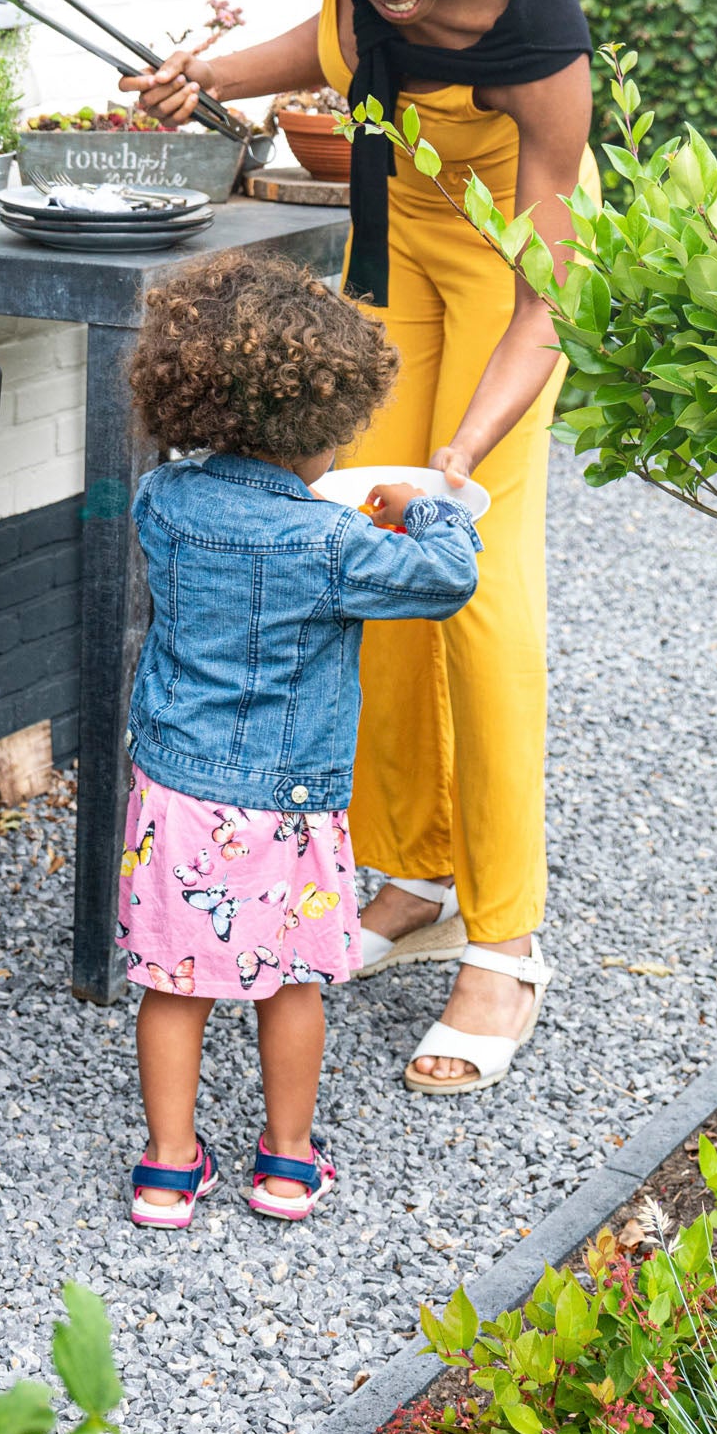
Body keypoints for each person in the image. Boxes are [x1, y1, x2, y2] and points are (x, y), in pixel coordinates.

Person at [121, 0, 590, 1093]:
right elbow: (326, 50)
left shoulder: (536, 38)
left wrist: (462, 454)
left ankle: (506, 940)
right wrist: (199, 72)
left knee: (479, 590)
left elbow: (554, 290)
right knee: (354, 560)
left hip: (509, 273)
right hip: (395, 260)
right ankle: (414, 875)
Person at [119, 254, 483, 1228]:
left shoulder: (161, 499)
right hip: (286, 803)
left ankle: (165, 1166)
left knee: (171, 979)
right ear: (317, 425)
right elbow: (444, 576)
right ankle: (283, 1163)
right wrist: (429, 504)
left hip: (175, 791)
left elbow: (226, 527)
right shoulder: (331, 544)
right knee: (290, 982)